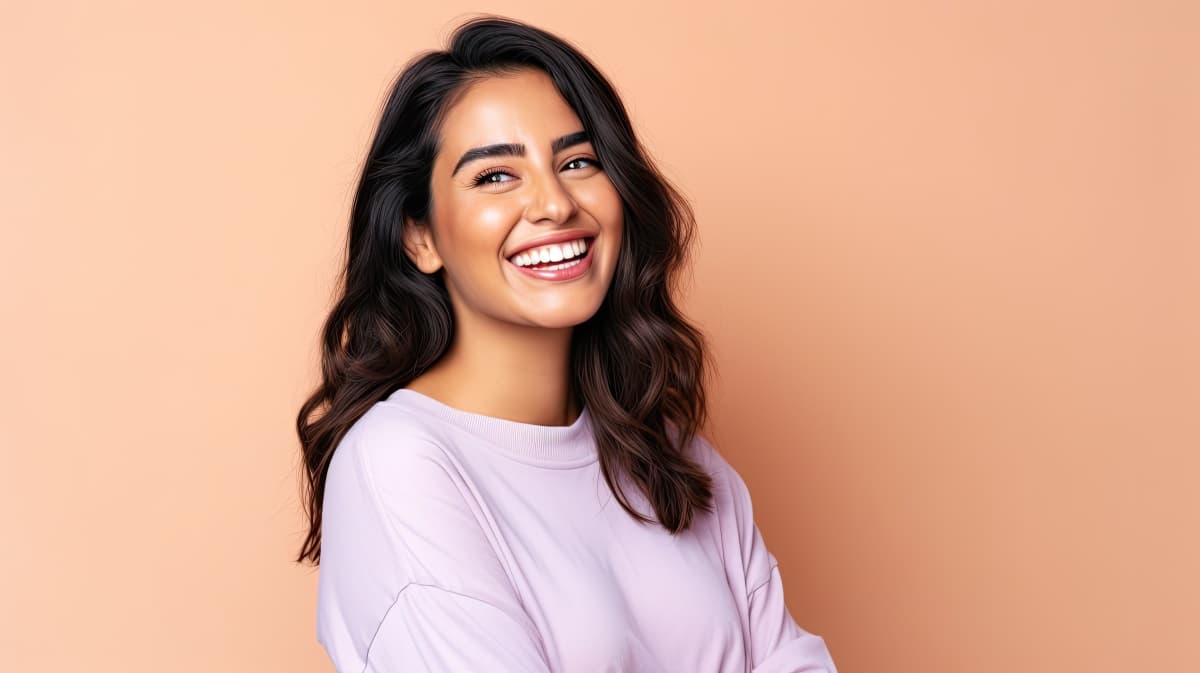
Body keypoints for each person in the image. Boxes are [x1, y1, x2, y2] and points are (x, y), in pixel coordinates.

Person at [294, 14, 838, 673]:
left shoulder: (667, 448)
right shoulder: (400, 463)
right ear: (421, 236)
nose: (554, 204)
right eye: (495, 176)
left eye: (578, 162)